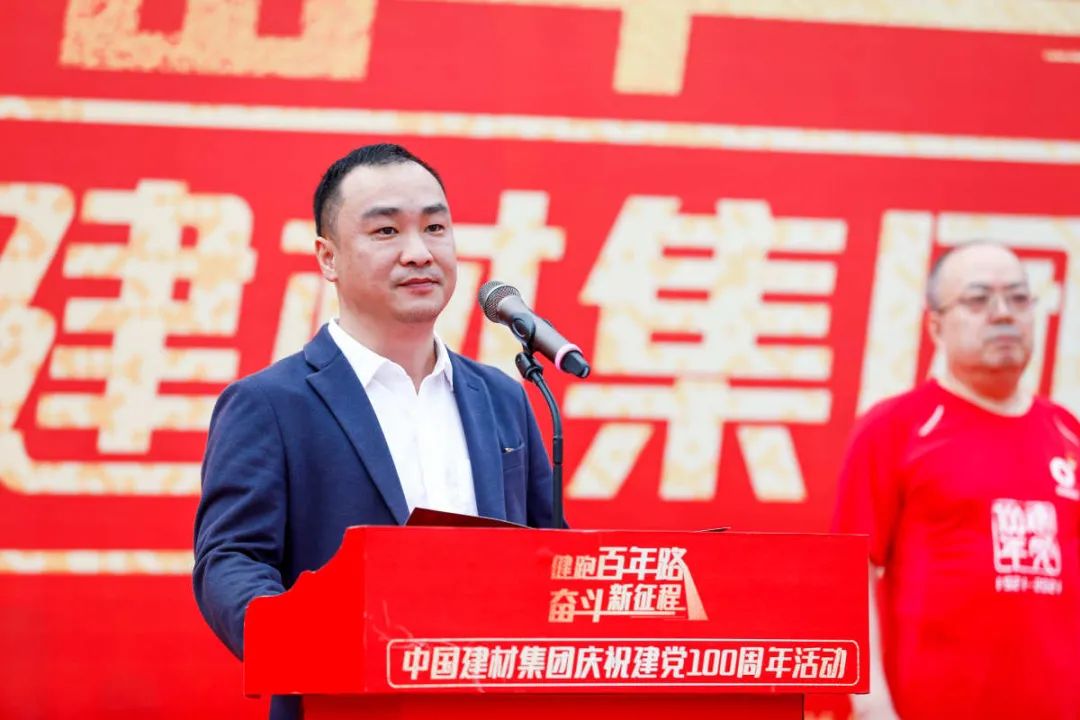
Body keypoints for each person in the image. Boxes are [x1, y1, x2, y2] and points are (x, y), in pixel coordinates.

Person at [193, 144, 555, 719]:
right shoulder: (269, 404)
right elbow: (231, 559)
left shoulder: (503, 398)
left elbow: (547, 552)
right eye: (386, 231)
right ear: (328, 257)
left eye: (435, 227)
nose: (419, 252)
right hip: (344, 703)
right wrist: (302, 644)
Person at [833, 240, 1080, 718]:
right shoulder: (896, 429)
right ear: (935, 325)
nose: (1003, 314)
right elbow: (847, 573)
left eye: (1019, 298)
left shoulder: (1067, 432)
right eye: (978, 299)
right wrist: (870, 707)